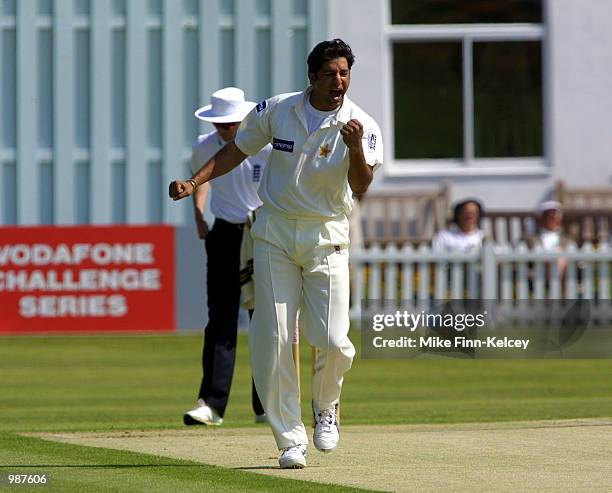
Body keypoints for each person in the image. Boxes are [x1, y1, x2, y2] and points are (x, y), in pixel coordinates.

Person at [169, 39, 383, 469]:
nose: (338, 81)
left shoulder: (363, 124)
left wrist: (356, 147)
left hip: (327, 233)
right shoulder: (277, 109)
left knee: (333, 339)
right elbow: (234, 150)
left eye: (344, 73)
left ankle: (326, 406)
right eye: (329, 74)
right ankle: (290, 438)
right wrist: (194, 184)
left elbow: (360, 186)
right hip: (275, 233)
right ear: (312, 77)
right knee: (274, 337)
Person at [182, 87, 270, 427]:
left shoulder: (264, 146)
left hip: (261, 233)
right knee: (220, 318)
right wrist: (198, 213)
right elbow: (201, 179)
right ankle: (212, 405)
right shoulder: (203, 146)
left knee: (264, 319)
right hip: (224, 234)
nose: (225, 130)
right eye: (220, 124)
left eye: (231, 124)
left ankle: (265, 404)